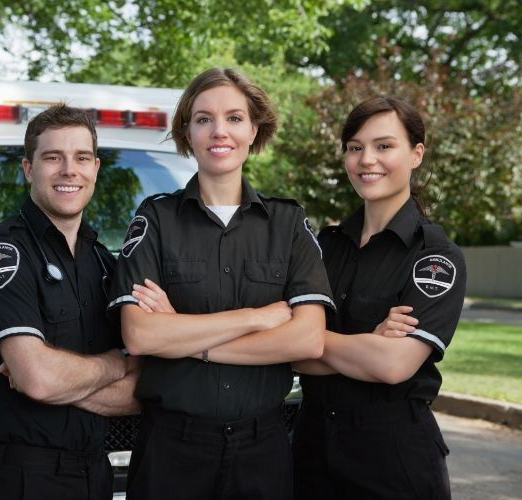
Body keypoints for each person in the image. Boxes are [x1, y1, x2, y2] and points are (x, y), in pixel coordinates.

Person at [107, 68, 335, 500]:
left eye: (234, 118)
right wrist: (257, 318)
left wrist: (186, 336)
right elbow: (139, 333)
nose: (219, 131)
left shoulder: (287, 223)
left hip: (263, 450)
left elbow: (307, 339)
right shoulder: (155, 219)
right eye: (203, 118)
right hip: (171, 450)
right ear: (187, 133)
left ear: (254, 129)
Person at [291, 96, 466, 499]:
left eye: (384, 146)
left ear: (416, 154)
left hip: (392, 461)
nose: (367, 159)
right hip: (309, 454)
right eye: (355, 148)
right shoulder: (322, 248)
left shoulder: (434, 257)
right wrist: (365, 341)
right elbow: (287, 352)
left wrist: (309, 338)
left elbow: (393, 364)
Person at [0, 104, 139, 500]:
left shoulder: (105, 263)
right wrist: (116, 363)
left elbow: (140, 392)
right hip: (22, 479)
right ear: (29, 168)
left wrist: (53, 380)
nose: (68, 170)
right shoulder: (3, 253)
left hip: (97, 473)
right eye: (52, 157)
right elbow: (37, 378)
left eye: (80, 158)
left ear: (95, 168)